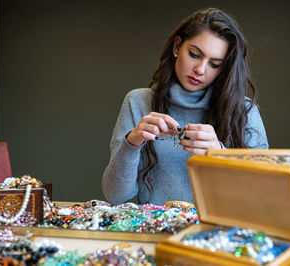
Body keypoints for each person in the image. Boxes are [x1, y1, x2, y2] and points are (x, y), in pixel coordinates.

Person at [102, 7, 268, 206]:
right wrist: (131, 144)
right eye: (194, 54)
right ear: (177, 46)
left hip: (221, 234)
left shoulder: (244, 110)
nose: (200, 70)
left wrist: (220, 155)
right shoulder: (138, 102)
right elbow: (115, 196)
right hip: (155, 232)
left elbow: (262, 195)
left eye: (214, 64)